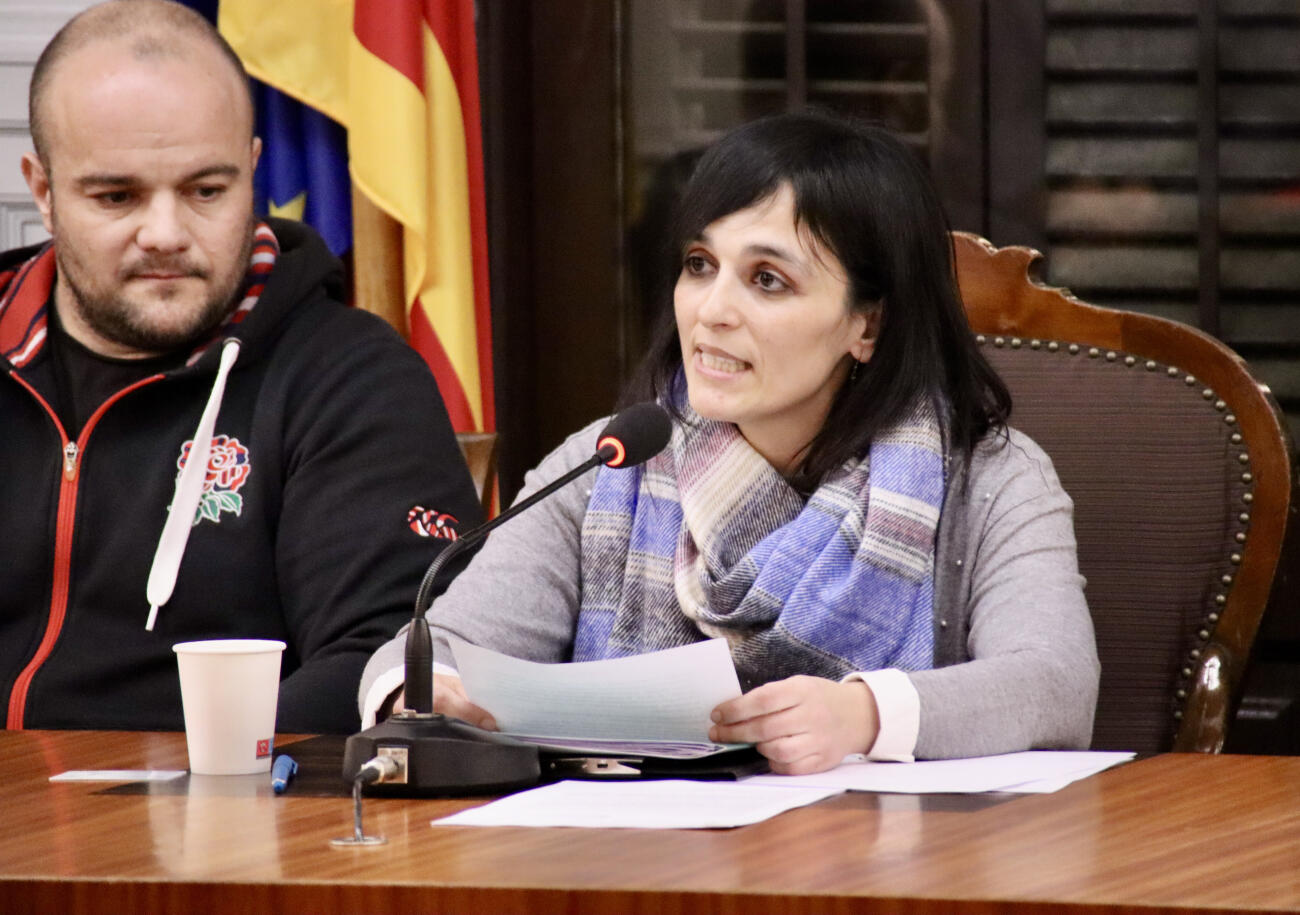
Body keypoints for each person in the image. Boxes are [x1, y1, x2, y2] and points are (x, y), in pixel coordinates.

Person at [359, 111, 1099, 773]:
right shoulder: (610, 462)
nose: (711, 310)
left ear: (866, 326)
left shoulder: (991, 478)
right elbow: (424, 652)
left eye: (767, 280)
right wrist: (417, 696)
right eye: (699, 266)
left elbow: (1053, 681)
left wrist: (864, 714)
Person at [0, 0, 482, 734]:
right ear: (43, 190)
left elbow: (391, 658)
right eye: (116, 196)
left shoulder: (349, 378)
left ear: (253, 171)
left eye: (205, 191)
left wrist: (190, 779)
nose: (164, 233)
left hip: (222, 825)